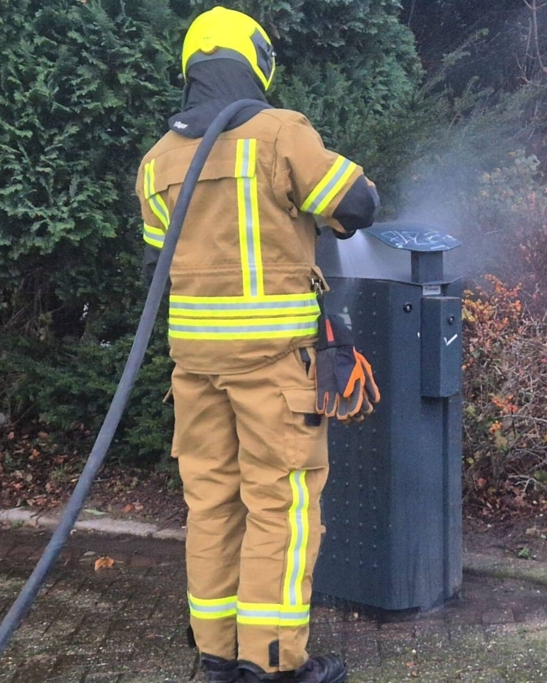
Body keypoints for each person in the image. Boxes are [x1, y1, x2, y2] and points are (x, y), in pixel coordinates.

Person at [135, 7, 380, 682]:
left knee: (212, 500)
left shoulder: (157, 161)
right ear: (257, 62)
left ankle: (217, 654)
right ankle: (271, 662)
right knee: (282, 504)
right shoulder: (279, 133)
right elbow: (357, 205)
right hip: (273, 364)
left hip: (195, 368)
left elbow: (161, 261)